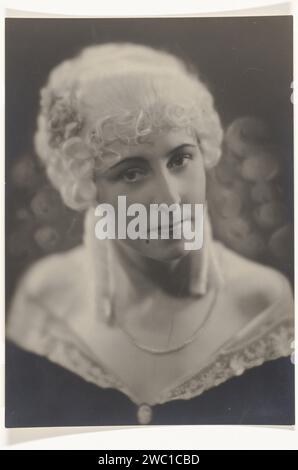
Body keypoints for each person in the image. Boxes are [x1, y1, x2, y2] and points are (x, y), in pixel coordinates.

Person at [6, 42, 294, 427]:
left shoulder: (260, 301)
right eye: (131, 172)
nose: (171, 199)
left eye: (180, 159)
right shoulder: (47, 299)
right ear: (85, 185)